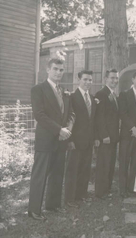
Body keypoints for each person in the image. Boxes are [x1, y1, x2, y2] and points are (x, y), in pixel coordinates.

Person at [28, 58, 75, 220]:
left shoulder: (65, 91)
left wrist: (68, 129)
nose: (58, 72)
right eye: (55, 69)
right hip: (46, 139)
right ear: (48, 70)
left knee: (57, 173)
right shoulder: (38, 89)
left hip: (62, 139)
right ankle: (34, 210)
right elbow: (39, 115)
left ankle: (53, 205)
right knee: (40, 175)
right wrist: (58, 130)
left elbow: (71, 113)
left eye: (61, 70)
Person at [64, 70, 98, 208]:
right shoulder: (72, 97)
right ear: (79, 80)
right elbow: (68, 119)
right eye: (85, 79)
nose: (88, 82)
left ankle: (81, 195)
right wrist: (69, 140)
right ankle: (69, 199)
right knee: (73, 170)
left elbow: (93, 121)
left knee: (85, 169)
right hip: (75, 141)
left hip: (88, 141)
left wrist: (95, 138)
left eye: (90, 80)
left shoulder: (92, 98)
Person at [94, 69, 120, 198]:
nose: (114, 80)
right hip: (106, 137)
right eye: (112, 78)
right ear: (106, 79)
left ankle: (107, 189)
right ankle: (100, 191)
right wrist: (104, 135)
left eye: (116, 78)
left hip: (113, 136)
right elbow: (99, 117)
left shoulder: (114, 95)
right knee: (103, 163)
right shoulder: (101, 94)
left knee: (110, 163)